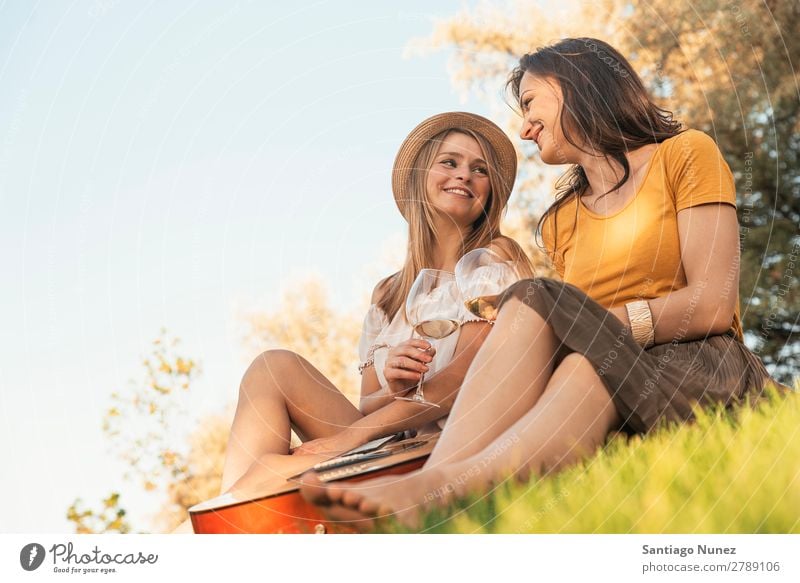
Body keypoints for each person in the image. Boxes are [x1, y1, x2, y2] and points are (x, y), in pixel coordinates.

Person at [300, 37, 785, 529]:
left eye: (530, 102)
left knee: (535, 299)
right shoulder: (562, 221)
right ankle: (441, 490)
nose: (525, 127)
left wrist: (600, 330)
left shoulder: (684, 155)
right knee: (580, 367)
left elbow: (713, 304)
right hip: (617, 370)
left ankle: (432, 488)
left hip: (702, 363)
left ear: (577, 83)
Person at [215, 111, 532, 498]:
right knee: (273, 366)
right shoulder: (389, 293)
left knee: (267, 472)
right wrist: (398, 387)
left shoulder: (492, 260)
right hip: (391, 440)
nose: (464, 174)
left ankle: (223, 519)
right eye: (449, 162)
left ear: (490, 194)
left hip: (450, 444)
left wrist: (342, 441)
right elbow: (369, 402)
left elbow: (463, 382)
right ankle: (230, 515)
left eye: (479, 169)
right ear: (420, 179)